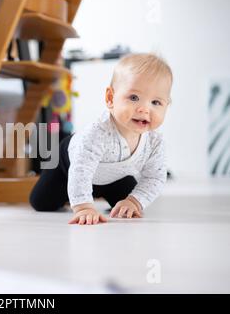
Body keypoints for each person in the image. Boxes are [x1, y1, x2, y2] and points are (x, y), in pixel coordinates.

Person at [30, 53, 172, 226]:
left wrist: (134, 201)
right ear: (110, 98)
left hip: (114, 177)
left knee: (127, 205)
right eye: (134, 98)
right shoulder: (97, 134)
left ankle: (96, 193)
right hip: (69, 166)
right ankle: (74, 193)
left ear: (167, 105)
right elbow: (81, 170)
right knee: (42, 202)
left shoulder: (154, 142)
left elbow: (154, 178)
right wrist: (83, 207)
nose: (144, 109)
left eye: (156, 102)